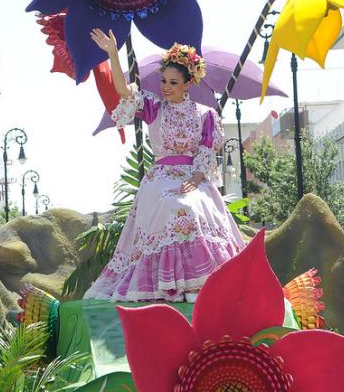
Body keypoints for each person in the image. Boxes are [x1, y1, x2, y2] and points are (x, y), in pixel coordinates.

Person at [83, 29, 245, 303]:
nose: (166, 87)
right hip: (160, 178)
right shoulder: (154, 107)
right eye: (163, 81)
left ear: (187, 84)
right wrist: (112, 53)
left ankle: (200, 282)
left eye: (173, 82)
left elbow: (206, 150)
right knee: (175, 206)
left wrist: (196, 178)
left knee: (195, 206)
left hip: (193, 178)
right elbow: (123, 91)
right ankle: (169, 284)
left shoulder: (206, 115)